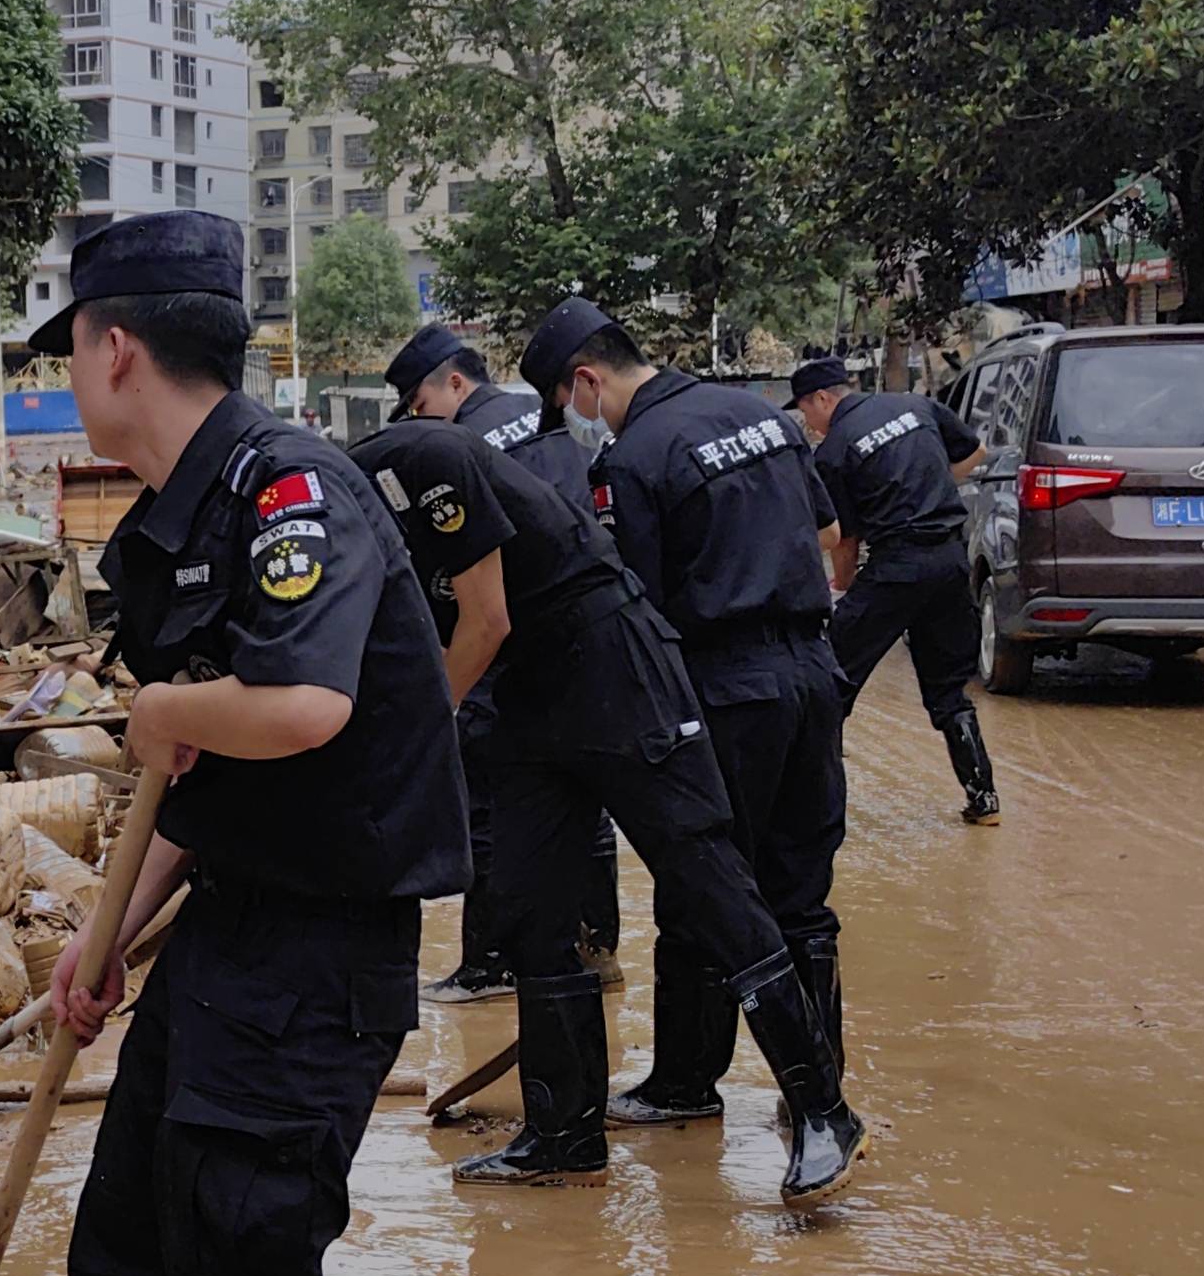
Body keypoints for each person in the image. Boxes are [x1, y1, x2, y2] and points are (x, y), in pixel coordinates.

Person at [2, 211, 471, 1276]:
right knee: (123, 1261)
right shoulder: (165, 522)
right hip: (227, 931)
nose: (72, 374)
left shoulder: (289, 488)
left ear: (114, 346)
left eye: (70, 349)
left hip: (320, 954)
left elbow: (304, 708)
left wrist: (165, 712)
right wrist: (101, 944)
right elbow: (198, 792)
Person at [351, 399, 851, 1199]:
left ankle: (823, 1107)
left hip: (613, 662)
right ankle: (564, 1133)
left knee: (708, 883)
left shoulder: (421, 461)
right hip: (528, 693)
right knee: (529, 907)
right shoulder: (354, 533)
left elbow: (484, 620)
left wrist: (409, 740)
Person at [526, 299, 863, 1192]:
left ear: (586, 381)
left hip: (726, 689)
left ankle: (686, 1082)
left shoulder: (633, 461)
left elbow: (642, 607)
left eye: (567, 397)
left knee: (705, 886)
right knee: (802, 893)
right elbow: (829, 535)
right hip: (813, 673)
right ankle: (814, 1089)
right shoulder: (761, 416)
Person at [382, 323, 618, 995]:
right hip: (588, 635)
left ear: (455, 383)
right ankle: (595, 951)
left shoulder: (457, 447)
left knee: (485, 807)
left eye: (421, 404)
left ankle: (489, 964)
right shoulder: (552, 418)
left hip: (503, 644)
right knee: (586, 804)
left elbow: (454, 576)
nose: (421, 423)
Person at [792, 356, 999, 825]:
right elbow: (974, 453)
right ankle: (984, 799)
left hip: (896, 568)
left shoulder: (834, 451)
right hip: (949, 561)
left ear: (822, 399)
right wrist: (927, 492)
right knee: (949, 692)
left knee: (831, 676)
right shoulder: (916, 406)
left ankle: (814, 805)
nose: (809, 424)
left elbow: (843, 538)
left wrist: (843, 585)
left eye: (806, 411)